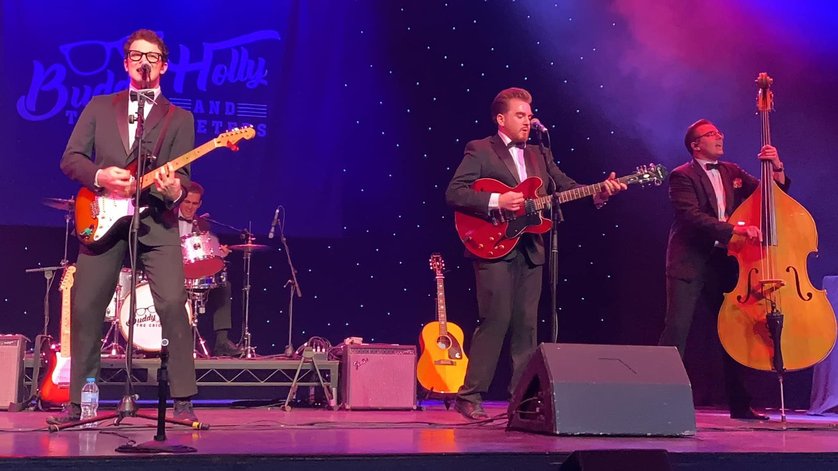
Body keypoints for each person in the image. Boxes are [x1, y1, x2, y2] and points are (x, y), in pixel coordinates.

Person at [445, 87, 626, 420]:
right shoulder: (480, 149)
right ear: (501, 119)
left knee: (527, 325)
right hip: (493, 243)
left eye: (529, 116)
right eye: (519, 115)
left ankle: (522, 400)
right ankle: (469, 396)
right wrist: (498, 201)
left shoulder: (539, 154)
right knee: (496, 318)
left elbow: (563, 186)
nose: (527, 121)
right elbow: (455, 192)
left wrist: (599, 191)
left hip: (530, 247)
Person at [50, 29, 199, 424]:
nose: (143, 61)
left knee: (171, 304)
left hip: (156, 223)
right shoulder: (100, 107)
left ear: (163, 65)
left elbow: (182, 176)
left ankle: (183, 401)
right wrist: (101, 177)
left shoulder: (180, 118)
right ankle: (81, 403)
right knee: (86, 307)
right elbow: (71, 159)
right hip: (103, 218)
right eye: (136, 55)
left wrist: (172, 189)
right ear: (125, 62)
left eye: (151, 56)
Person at [659, 119, 789, 420]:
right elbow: (691, 216)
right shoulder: (682, 176)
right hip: (690, 261)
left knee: (734, 331)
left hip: (726, 261)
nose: (720, 136)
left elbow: (771, 197)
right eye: (711, 134)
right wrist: (735, 230)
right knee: (677, 329)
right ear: (695, 144)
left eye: (719, 132)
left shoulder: (731, 171)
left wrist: (776, 167)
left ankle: (741, 406)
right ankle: (660, 400)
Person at [177, 182, 242, 357]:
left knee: (223, 286)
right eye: (187, 202)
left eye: (194, 203)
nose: (190, 207)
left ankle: (221, 341)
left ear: (199, 204)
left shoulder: (203, 225)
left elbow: (208, 253)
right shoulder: (167, 221)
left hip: (195, 276)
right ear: (179, 200)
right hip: (172, 273)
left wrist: (220, 254)